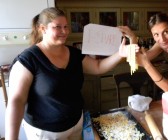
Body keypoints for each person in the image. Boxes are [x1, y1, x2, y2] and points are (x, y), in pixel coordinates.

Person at [5, 7, 138, 140]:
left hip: (76, 125)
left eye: (66, 26)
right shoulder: (28, 60)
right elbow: (16, 102)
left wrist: (120, 54)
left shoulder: (73, 53)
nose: (64, 31)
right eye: (58, 27)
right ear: (42, 29)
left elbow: (98, 67)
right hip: (46, 133)